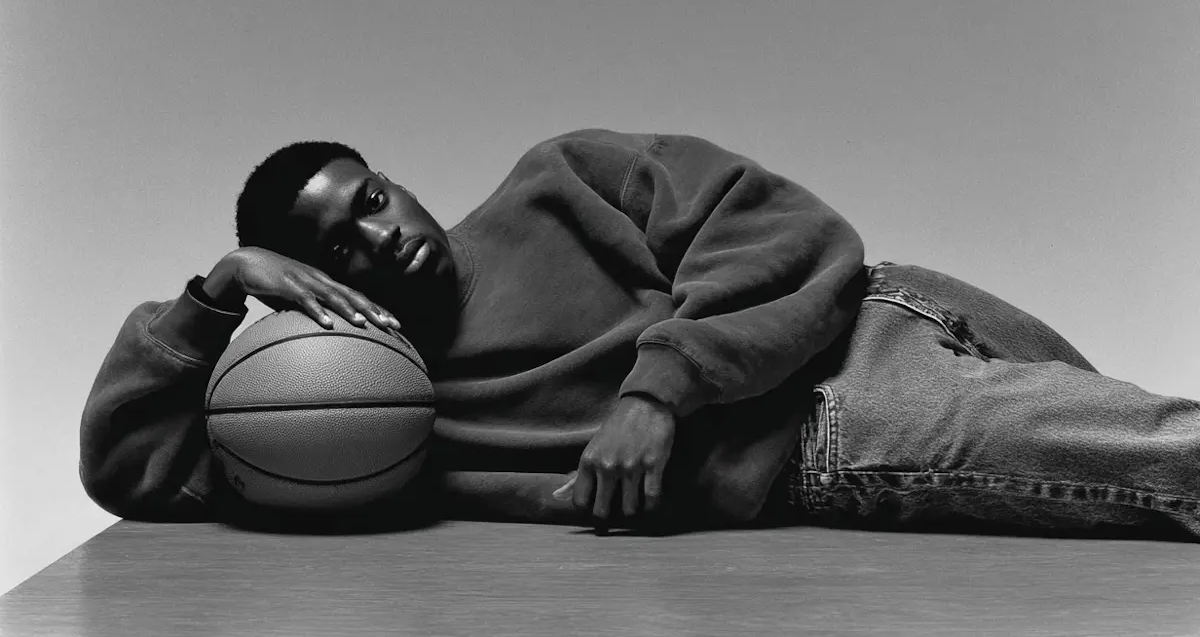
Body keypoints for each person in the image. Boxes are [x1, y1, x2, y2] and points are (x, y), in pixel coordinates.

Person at [79, 128, 1200, 539]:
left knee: (1154, 461)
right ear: (308, 286)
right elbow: (127, 463)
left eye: (371, 197)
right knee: (1172, 471)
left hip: (873, 307)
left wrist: (656, 390)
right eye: (333, 245)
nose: (376, 235)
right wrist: (216, 290)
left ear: (398, 182)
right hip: (824, 429)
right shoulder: (358, 423)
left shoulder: (558, 180)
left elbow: (780, 224)